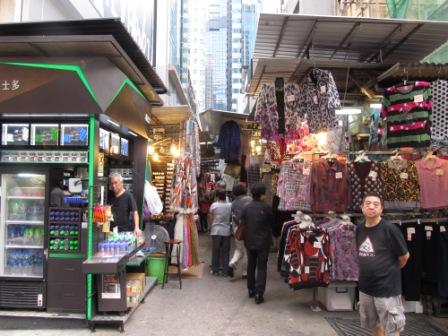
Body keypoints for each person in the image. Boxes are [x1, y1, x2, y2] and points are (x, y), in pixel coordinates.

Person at [357, 193, 410, 336]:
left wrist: (389, 271)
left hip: (387, 288)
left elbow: (404, 256)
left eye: (376, 204)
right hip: (366, 287)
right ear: (362, 208)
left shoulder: (390, 229)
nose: (371, 206)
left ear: (381, 209)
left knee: (392, 327)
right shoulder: (359, 229)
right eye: (367, 203)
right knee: (374, 325)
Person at [239, 182, 273, 304]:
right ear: (262, 195)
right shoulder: (267, 208)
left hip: (249, 241)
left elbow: (242, 222)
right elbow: (271, 223)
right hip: (263, 242)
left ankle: (251, 289)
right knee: (262, 267)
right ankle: (259, 293)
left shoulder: (246, 207)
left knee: (251, 266)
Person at [229, 183, 252, 279]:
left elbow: (233, 217)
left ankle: (233, 261)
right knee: (246, 251)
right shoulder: (250, 200)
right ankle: (245, 273)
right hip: (248, 228)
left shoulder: (233, 203)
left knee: (239, 248)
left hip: (237, 229)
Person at [208, 189, 232, 276]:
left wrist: (211, 225)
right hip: (226, 231)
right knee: (225, 252)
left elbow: (210, 217)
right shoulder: (230, 205)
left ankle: (215, 269)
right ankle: (225, 271)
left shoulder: (214, 205)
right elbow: (231, 217)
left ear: (217, 196)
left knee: (216, 251)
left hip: (216, 230)